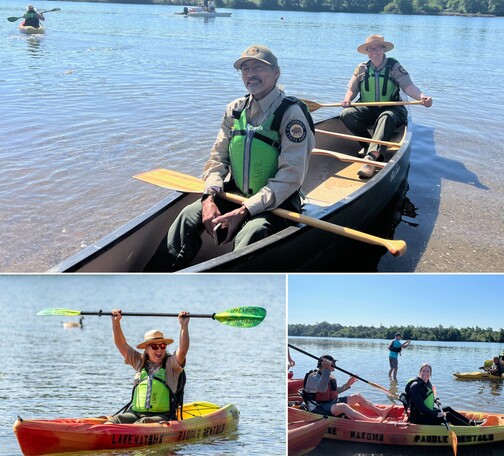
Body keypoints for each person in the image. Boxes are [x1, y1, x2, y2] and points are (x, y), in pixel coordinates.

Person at [145, 45, 315, 272]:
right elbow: (216, 160)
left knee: (254, 232)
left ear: (276, 73)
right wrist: (209, 198)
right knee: (188, 215)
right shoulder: (234, 110)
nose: (251, 74)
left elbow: (290, 177)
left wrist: (244, 211)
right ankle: (156, 276)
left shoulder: (291, 114)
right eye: (245, 69)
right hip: (234, 193)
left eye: (258, 67)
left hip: (277, 202)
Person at [340, 34, 433, 179]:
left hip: (392, 107)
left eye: (377, 48)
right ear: (367, 52)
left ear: (383, 49)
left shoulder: (394, 66)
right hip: (368, 108)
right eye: (370, 49)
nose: (374, 52)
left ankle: (370, 159)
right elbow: (352, 89)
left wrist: (422, 97)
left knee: (386, 116)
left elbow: (408, 87)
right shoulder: (362, 68)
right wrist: (347, 99)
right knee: (347, 114)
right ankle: (367, 146)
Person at [105, 309, 190, 424]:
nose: (160, 349)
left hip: (162, 416)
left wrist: (184, 326)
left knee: (143, 422)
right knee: (116, 420)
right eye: (155, 346)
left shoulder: (171, 365)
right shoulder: (139, 362)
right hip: (135, 413)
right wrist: (116, 322)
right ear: (147, 349)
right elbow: (121, 344)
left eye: (163, 346)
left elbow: (183, 350)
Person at [301, 355, 387, 421]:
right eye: (333, 365)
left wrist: (348, 384)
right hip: (318, 407)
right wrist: (326, 370)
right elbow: (322, 389)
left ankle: (380, 411)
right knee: (343, 406)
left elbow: (333, 392)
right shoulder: (313, 377)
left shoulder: (329, 376)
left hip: (331, 403)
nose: (334, 367)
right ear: (324, 365)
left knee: (357, 396)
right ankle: (370, 421)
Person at [407, 363, 485, 426]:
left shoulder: (426, 383)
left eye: (428, 371)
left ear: (430, 374)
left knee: (448, 408)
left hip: (426, 413)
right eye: (423, 371)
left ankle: (470, 422)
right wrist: (436, 415)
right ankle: (469, 429)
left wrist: (435, 400)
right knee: (447, 415)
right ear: (420, 372)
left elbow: (426, 397)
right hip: (419, 418)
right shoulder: (415, 386)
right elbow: (420, 407)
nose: (425, 373)